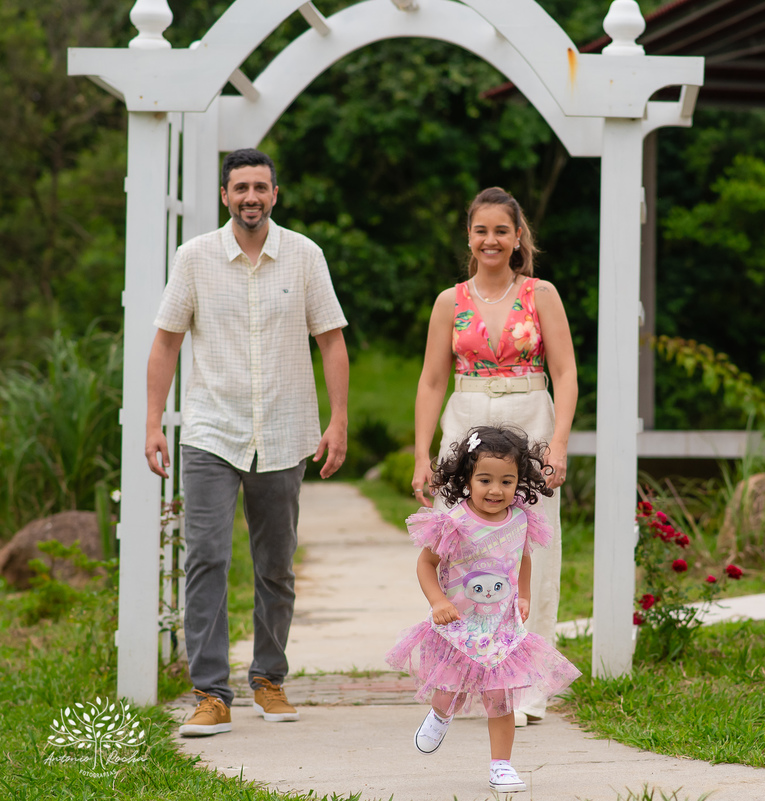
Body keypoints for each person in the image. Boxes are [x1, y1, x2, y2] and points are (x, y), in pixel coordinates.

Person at [144, 148, 350, 737]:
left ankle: (269, 679)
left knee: (276, 566)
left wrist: (337, 422)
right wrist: (155, 421)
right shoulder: (195, 258)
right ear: (226, 195)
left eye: (261, 187)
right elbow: (165, 343)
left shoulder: (305, 256)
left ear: (275, 195)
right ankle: (210, 692)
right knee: (205, 557)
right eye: (241, 188)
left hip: (285, 433)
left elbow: (331, 342)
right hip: (211, 431)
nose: (251, 197)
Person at [411, 186, 577, 726]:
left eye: (501, 230)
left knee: (534, 551)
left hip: (531, 414)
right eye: (482, 230)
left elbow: (567, 373)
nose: (491, 239)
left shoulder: (541, 293)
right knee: (458, 548)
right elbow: (433, 379)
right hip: (464, 421)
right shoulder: (449, 301)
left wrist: (559, 443)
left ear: (517, 236)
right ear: (469, 236)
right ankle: (461, 678)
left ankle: (527, 689)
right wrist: (421, 454)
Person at [387, 426, 580, 793]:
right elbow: (425, 565)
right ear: (467, 479)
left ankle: (501, 766)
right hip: (459, 625)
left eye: (507, 481)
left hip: (501, 629)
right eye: (485, 479)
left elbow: (523, 559)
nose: (496, 490)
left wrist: (523, 595)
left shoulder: (521, 520)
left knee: (500, 697)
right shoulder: (454, 522)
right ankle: (441, 714)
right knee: (450, 690)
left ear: (520, 482)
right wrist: (439, 601)